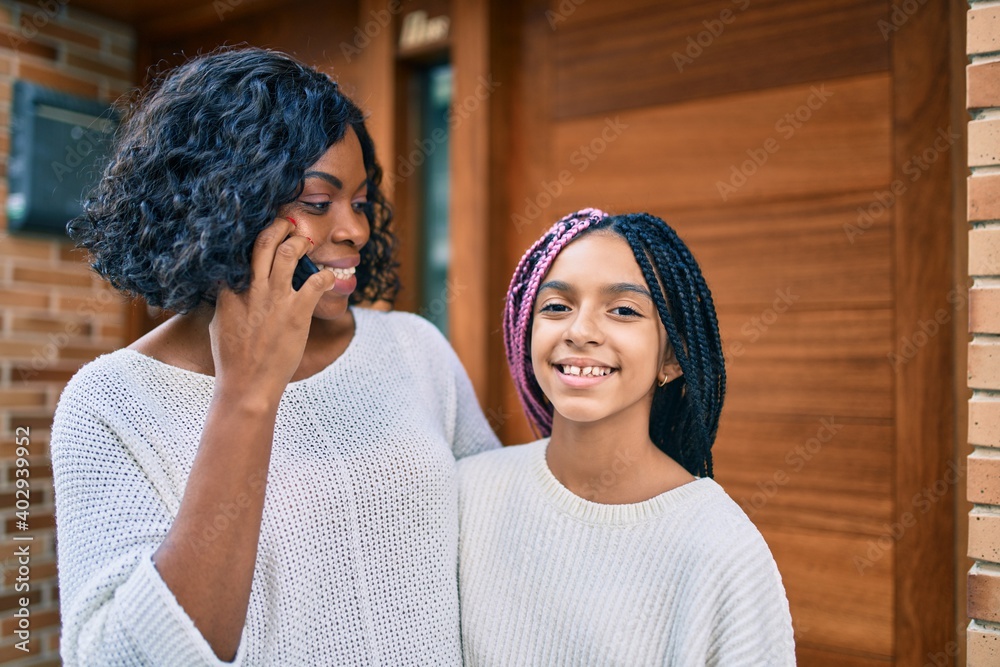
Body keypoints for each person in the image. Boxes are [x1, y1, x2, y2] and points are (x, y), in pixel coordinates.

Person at [52, 47, 498, 666]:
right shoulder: (111, 404)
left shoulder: (413, 348)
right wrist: (248, 394)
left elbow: (500, 548)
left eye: (362, 202)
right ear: (223, 205)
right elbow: (115, 657)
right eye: (318, 202)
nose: (356, 230)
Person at [457, 208, 796, 666]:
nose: (580, 331)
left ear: (672, 359)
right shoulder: (466, 494)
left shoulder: (721, 550)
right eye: (557, 306)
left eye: (623, 310)